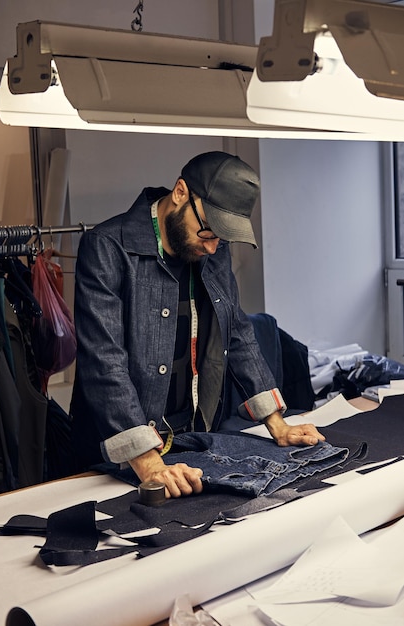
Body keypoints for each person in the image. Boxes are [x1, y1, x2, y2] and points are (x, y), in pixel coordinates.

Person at [70, 151, 324, 498]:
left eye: (222, 237)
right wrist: (148, 462)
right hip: (118, 458)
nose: (213, 245)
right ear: (180, 193)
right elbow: (104, 363)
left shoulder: (212, 249)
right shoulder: (107, 248)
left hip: (189, 442)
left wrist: (277, 425)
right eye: (207, 230)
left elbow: (236, 332)